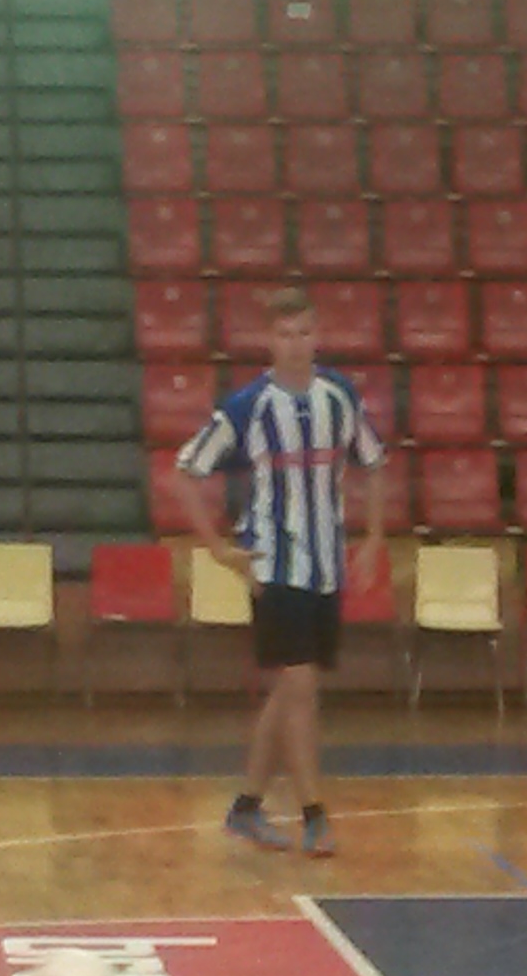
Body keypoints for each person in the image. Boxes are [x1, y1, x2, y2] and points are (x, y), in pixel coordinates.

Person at [154, 288, 387, 858]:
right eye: (285, 334)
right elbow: (182, 474)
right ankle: (314, 815)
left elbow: (375, 463)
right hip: (275, 565)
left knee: (289, 691)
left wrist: (375, 537)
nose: (296, 344)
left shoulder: (339, 396)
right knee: (300, 687)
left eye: (304, 332)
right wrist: (218, 548)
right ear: (268, 340)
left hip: (327, 565)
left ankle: (246, 807)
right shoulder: (248, 406)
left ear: (318, 335)